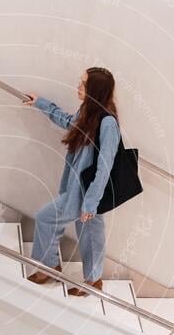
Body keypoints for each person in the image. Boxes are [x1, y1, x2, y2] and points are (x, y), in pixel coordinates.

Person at [24, 67, 120, 296]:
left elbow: (105, 166)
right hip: (79, 188)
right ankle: (92, 279)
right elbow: (69, 122)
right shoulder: (88, 112)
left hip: (87, 192)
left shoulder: (107, 123)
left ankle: (51, 267)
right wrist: (42, 104)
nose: (78, 86)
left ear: (95, 90)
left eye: (84, 84)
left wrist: (90, 203)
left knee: (47, 218)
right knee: (90, 233)